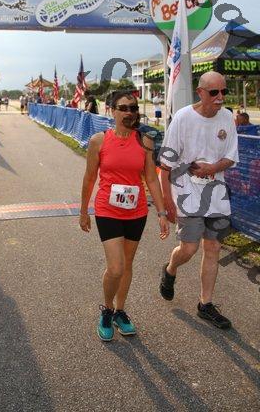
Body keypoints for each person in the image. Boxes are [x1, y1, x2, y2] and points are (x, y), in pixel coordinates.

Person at [79, 90, 169, 341]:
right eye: (124, 108)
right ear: (112, 111)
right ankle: (107, 310)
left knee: (127, 264)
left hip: (136, 211)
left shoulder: (145, 141)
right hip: (107, 210)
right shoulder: (98, 141)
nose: (130, 113)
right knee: (116, 267)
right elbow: (89, 178)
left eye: (133, 108)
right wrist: (84, 211)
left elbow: (151, 178)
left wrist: (162, 212)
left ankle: (120, 311)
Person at [159, 71, 239, 330]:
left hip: (216, 195)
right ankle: (170, 269)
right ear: (200, 92)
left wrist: (212, 168)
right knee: (189, 249)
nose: (220, 97)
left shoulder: (227, 117)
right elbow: (165, 165)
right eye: (214, 92)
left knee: (213, 247)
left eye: (224, 91)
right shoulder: (183, 118)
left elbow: (231, 156)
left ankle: (205, 304)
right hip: (187, 194)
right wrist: (167, 202)